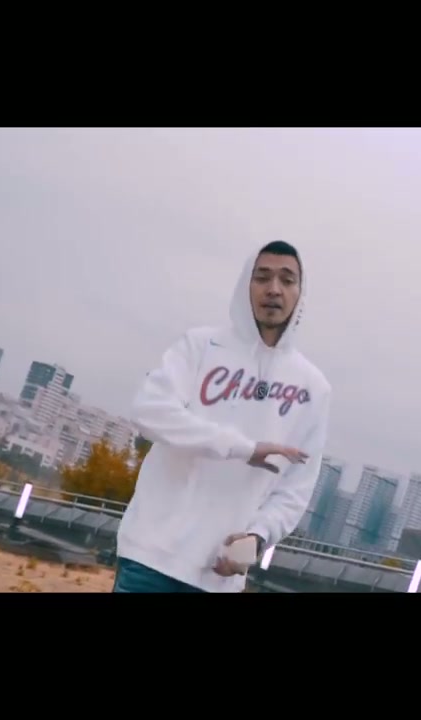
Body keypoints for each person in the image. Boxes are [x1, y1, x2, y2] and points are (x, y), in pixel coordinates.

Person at [113, 240, 332, 593]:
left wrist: (257, 538)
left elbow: (295, 489)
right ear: (246, 283)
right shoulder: (200, 346)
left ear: (300, 293)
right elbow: (150, 411)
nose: (274, 289)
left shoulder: (313, 388)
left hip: (219, 575)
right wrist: (243, 448)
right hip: (151, 558)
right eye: (263, 277)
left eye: (287, 280)